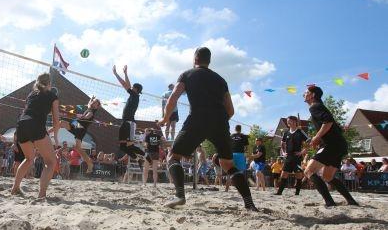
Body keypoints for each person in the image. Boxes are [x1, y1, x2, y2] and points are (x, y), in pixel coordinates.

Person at [158, 47, 257, 211]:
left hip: (197, 119)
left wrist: (165, 118)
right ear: (209, 61)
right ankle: (249, 203)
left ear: (195, 58)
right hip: (220, 121)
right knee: (228, 165)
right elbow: (231, 110)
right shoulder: (220, 79)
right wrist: (217, 123)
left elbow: (173, 97)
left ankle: (180, 195)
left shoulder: (187, 74)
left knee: (173, 156)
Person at [302, 85, 358, 206]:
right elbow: (333, 127)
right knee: (328, 176)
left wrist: (317, 138)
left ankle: (329, 202)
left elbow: (328, 122)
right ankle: (351, 201)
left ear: (312, 95)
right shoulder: (320, 107)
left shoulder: (314, 107)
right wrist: (318, 139)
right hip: (339, 145)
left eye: (306, 92)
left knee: (308, 171)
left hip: (332, 145)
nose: (303, 94)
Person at [11, 73, 60, 199]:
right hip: (35, 125)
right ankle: (42, 194)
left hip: (21, 125)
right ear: (49, 84)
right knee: (50, 162)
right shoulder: (52, 95)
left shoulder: (31, 95)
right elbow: (56, 120)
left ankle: (15, 188)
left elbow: (28, 112)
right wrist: (56, 136)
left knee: (28, 158)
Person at [112, 65, 149, 163]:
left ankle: (145, 155)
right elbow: (127, 85)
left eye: (133, 87)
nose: (131, 88)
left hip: (130, 123)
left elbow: (125, 84)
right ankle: (137, 159)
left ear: (135, 89)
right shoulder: (133, 96)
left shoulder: (135, 95)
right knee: (123, 147)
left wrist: (122, 74)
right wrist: (120, 74)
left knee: (130, 145)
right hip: (125, 122)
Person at [57, 96, 101, 174]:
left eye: (95, 103)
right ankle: (50, 132)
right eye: (93, 102)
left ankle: (90, 164)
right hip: (76, 125)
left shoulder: (92, 112)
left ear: (97, 106)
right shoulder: (89, 107)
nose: (93, 103)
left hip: (81, 129)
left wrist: (82, 116)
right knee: (62, 123)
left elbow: (88, 117)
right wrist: (91, 99)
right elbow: (89, 104)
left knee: (78, 148)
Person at [275, 116, 309, 196]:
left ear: (294, 122)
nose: (287, 122)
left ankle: (297, 193)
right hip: (288, 157)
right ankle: (279, 192)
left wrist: (302, 152)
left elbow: (309, 142)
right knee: (283, 174)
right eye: (287, 121)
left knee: (299, 175)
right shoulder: (286, 132)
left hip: (297, 157)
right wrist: (283, 152)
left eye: (289, 121)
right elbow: (282, 143)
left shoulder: (300, 131)